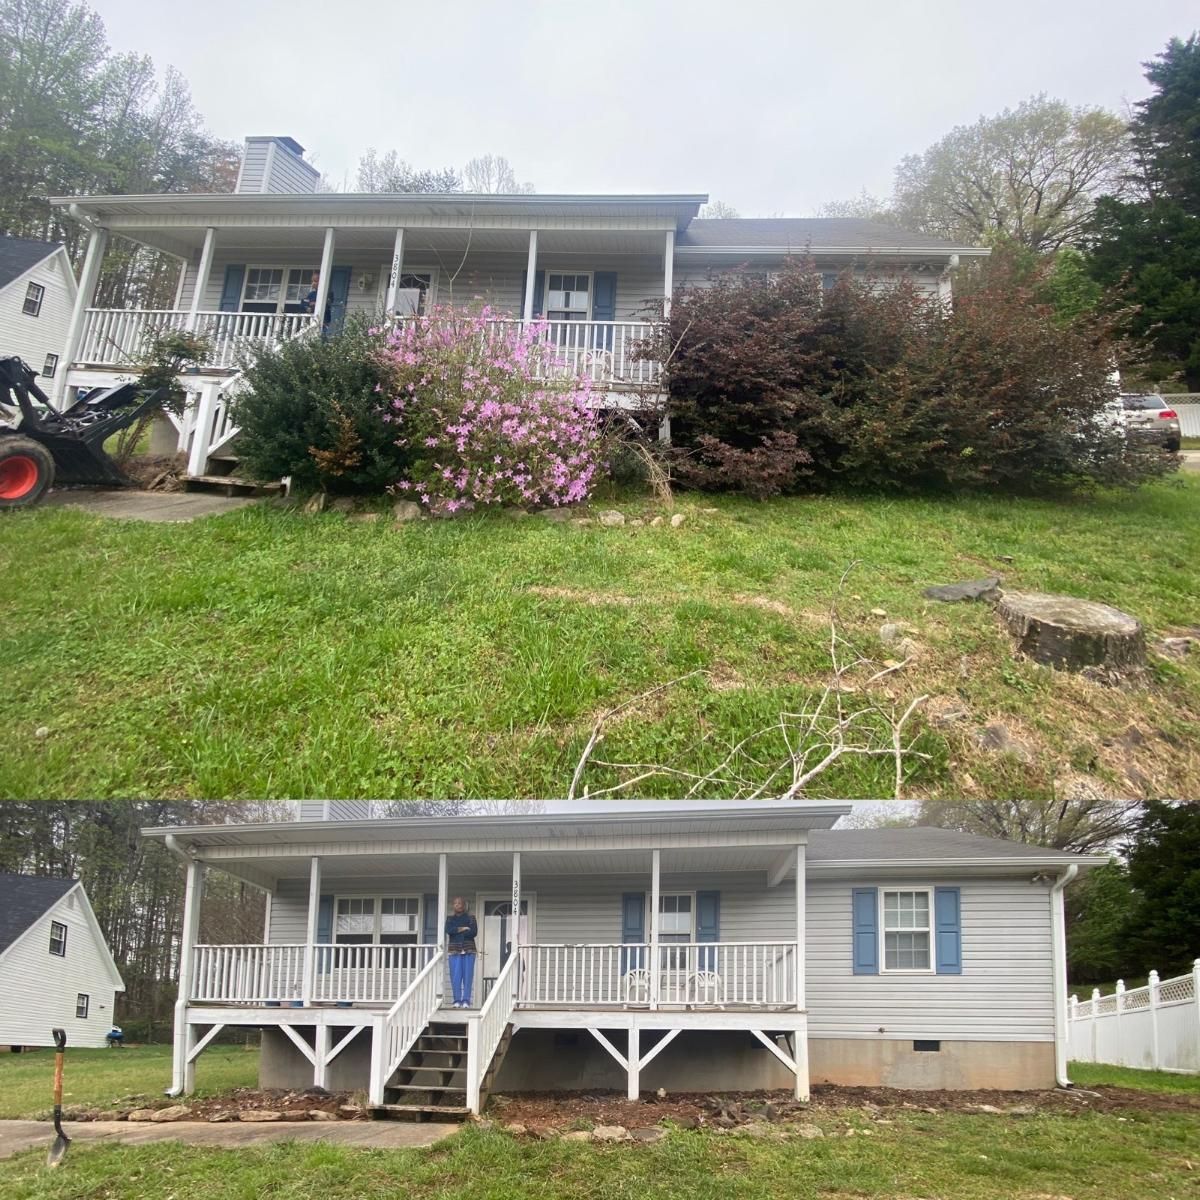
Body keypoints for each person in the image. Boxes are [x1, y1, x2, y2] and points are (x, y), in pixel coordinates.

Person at [445, 897, 477, 1009]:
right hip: (454, 951)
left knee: (468, 977)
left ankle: (466, 1001)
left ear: (464, 905)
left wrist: (457, 931)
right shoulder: (450, 919)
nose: (458, 905)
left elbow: (473, 932)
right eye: (455, 903)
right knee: (455, 976)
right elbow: (449, 930)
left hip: (469, 950)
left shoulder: (471, 918)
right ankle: (457, 1000)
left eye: (460, 903)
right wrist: (464, 928)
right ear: (453, 906)